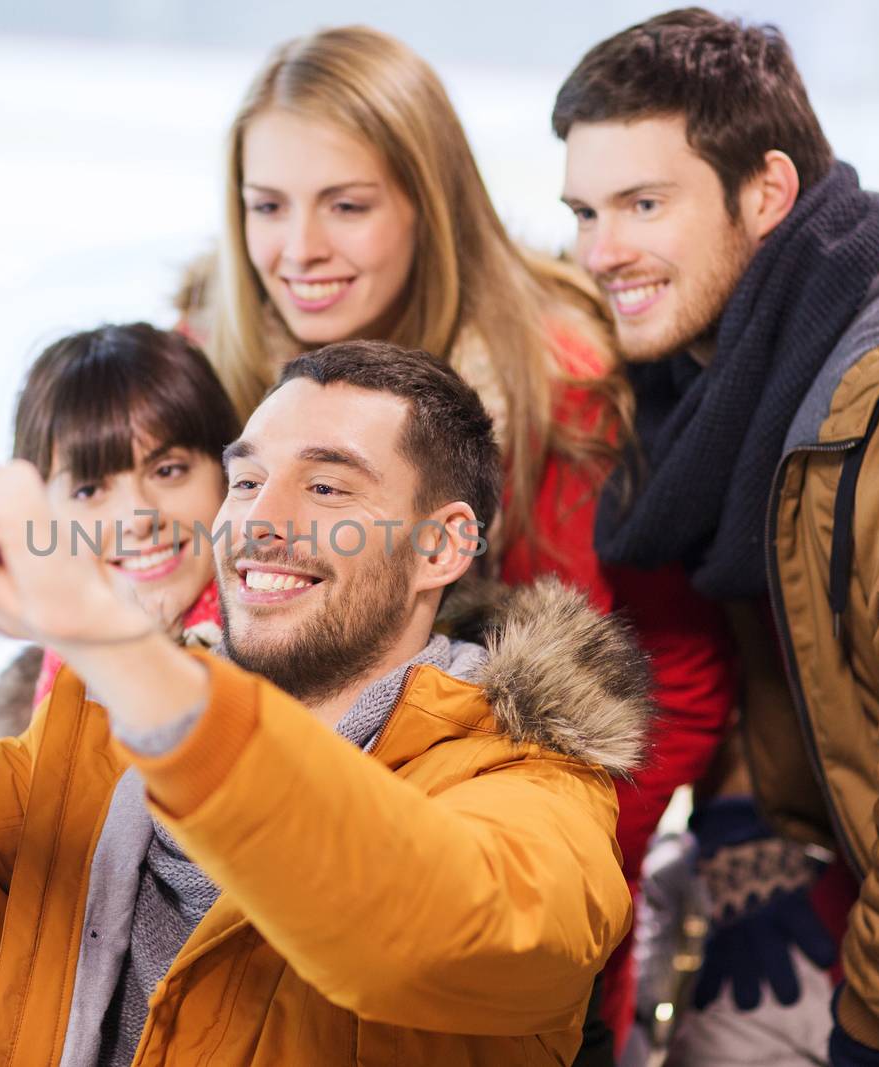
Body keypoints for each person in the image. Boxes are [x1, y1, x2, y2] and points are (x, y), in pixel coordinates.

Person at [0, 341, 653, 1065]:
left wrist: (103, 631)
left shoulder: (534, 785)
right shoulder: (90, 749)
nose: (261, 521)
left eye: (330, 489)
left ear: (440, 545)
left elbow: (429, 927)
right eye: (248, 478)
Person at [179, 24, 737, 1050]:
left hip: (475, 919)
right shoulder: (207, 357)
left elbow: (676, 672)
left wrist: (541, 898)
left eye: (346, 205)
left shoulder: (548, 383)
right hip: (239, 903)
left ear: (425, 206)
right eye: (268, 205)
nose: (298, 249)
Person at [553, 9, 879, 1065]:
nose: (602, 252)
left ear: (766, 192)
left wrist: (875, 1025)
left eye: (643, 203)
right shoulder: (734, 371)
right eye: (585, 210)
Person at [0, 322, 238, 1066]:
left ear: (228, 478)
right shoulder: (27, 725)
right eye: (88, 487)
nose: (137, 515)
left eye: (169, 470)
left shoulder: (292, 689)